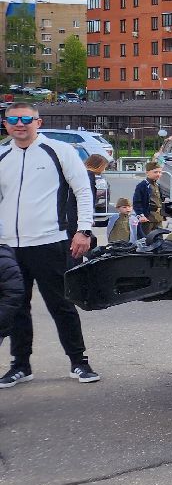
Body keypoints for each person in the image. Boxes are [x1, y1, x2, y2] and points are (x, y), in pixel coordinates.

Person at [0, 103, 98, 387]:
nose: (20, 124)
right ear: (6, 125)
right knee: (16, 307)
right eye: (13, 120)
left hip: (50, 241)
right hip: (8, 246)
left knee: (61, 304)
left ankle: (79, 362)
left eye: (26, 119)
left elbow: (83, 191)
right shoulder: (3, 154)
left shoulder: (59, 151)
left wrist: (84, 231)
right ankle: (20, 365)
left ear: (38, 122)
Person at [132, 160, 166, 235]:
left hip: (158, 217)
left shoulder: (158, 186)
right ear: (147, 173)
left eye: (160, 172)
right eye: (155, 172)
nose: (158, 174)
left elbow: (160, 200)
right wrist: (140, 215)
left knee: (159, 238)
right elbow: (137, 202)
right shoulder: (142, 186)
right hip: (147, 217)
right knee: (147, 239)